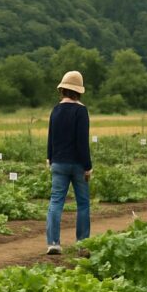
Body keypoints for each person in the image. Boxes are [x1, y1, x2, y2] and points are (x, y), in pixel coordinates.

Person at [45, 70, 92, 255]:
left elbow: (51, 137)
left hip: (58, 162)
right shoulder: (81, 111)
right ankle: (82, 244)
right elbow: (82, 141)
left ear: (63, 89)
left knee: (56, 201)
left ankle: (53, 243)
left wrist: (50, 157)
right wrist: (87, 166)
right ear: (78, 91)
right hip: (77, 164)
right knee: (83, 203)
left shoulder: (55, 110)